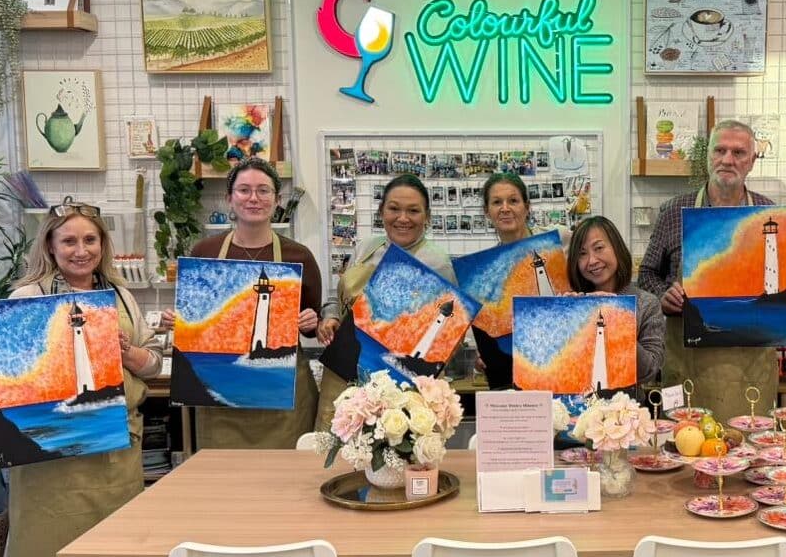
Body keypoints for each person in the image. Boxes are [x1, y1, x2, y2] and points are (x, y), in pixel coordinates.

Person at [6, 198, 163, 557]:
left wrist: (130, 354)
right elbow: (9, 365)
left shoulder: (120, 295)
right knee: (58, 530)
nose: (81, 250)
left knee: (103, 528)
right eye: (69, 240)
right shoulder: (27, 297)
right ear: (50, 246)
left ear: (103, 244)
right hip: (54, 442)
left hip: (112, 436)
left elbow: (153, 363)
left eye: (90, 239)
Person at [637, 119, 786, 421]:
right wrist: (665, 295)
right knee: (686, 443)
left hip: (750, 371)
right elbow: (647, 275)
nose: (727, 160)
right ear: (708, 156)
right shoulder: (674, 212)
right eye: (719, 150)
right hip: (687, 365)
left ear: (752, 161)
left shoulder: (768, 213)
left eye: (738, 152)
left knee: (750, 445)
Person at [162, 158, 322, 449]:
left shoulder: (299, 256)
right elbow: (198, 320)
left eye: (263, 190)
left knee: (286, 472)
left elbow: (311, 328)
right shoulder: (205, 253)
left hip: (282, 394)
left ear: (277, 199)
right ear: (229, 198)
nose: (254, 198)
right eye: (244, 190)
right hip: (223, 398)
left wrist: (311, 321)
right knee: (225, 473)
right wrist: (179, 321)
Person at [315, 174, 453, 431]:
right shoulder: (365, 249)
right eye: (394, 208)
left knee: (392, 441)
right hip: (343, 370)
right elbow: (337, 296)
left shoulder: (437, 262)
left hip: (401, 383)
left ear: (427, 216)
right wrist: (331, 316)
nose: (403, 218)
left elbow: (448, 331)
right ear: (381, 211)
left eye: (413, 210)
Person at [478, 171, 572, 388]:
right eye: (497, 202)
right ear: (487, 211)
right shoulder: (488, 270)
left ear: (527, 207)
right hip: (515, 369)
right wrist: (484, 352)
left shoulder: (560, 239)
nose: (505, 208)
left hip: (563, 354)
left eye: (513, 201)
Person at [567, 216, 665, 386]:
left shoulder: (646, 303)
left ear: (617, 248)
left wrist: (616, 321)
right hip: (578, 401)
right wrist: (563, 318)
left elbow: (650, 371)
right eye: (582, 254)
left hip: (627, 401)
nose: (592, 260)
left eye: (599, 248)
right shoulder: (573, 302)